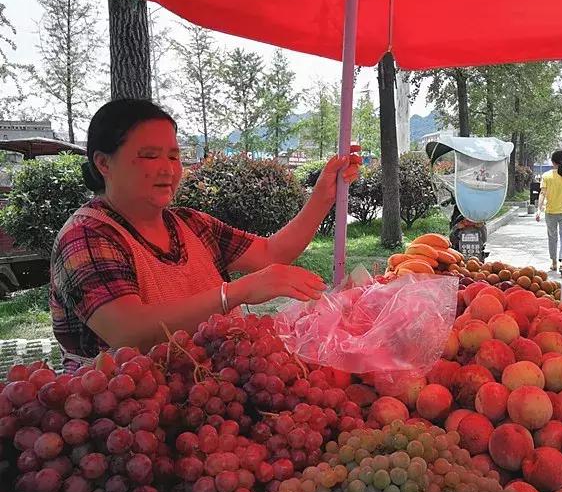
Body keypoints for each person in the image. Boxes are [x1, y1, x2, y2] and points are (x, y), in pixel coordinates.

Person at [51, 99, 360, 371]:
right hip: (124, 419)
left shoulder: (191, 224)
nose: (168, 169)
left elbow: (272, 253)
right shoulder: (86, 236)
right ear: (103, 162)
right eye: (149, 155)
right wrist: (235, 292)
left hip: (211, 393)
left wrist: (323, 195)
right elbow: (127, 331)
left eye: (173, 156)